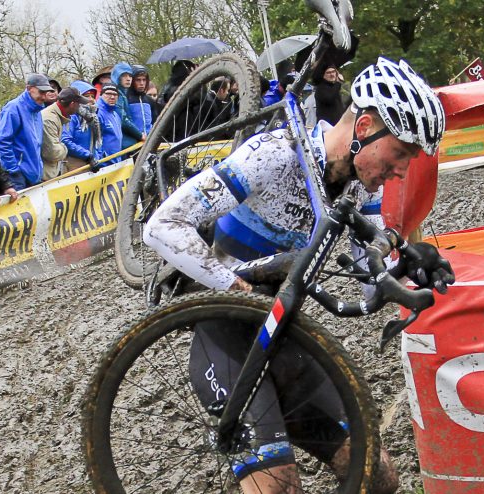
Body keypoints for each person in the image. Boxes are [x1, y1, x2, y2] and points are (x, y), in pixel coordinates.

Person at [142, 57, 448, 492]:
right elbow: (163, 226)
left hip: (286, 343)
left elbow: (369, 276)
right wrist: (238, 287)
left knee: (378, 477)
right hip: (229, 341)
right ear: (363, 129)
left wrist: (413, 263)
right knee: (280, 488)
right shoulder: (274, 154)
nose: (401, 169)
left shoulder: (360, 188)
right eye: (401, 153)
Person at [0, 73, 52, 190]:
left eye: (46, 93)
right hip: (17, 178)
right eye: (41, 92)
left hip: (34, 175)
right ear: (29, 89)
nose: (44, 97)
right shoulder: (13, 109)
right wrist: (14, 171)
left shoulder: (38, 111)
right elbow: (1, 141)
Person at [41, 86, 90, 180]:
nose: (79, 107)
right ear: (72, 104)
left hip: (51, 172)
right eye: (78, 104)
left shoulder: (58, 116)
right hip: (44, 175)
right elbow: (53, 153)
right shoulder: (49, 119)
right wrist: (64, 147)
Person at [61, 81, 103, 170]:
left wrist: (98, 156)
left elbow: (98, 142)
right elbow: (65, 140)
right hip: (74, 164)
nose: (91, 99)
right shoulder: (71, 117)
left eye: (92, 96)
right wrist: (87, 155)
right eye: (87, 96)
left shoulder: (94, 118)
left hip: (92, 163)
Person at [111, 63, 144, 152]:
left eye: (130, 75)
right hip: (123, 144)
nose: (128, 79)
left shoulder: (123, 94)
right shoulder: (116, 94)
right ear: (117, 77)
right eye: (124, 75)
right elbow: (123, 119)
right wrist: (140, 135)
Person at [127, 65, 157, 144]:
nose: (142, 83)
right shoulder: (126, 99)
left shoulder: (149, 100)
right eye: (138, 80)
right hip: (132, 143)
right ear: (132, 81)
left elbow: (155, 122)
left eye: (144, 80)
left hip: (149, 142)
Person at [95, 84, 124, 168]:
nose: (112, 97)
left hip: (116, 163)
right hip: (103, 164)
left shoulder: (116, 114)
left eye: (115, 94)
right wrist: (98, 158)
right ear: (101, 95)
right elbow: (95, 140)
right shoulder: (97, 113)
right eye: (108, 94)